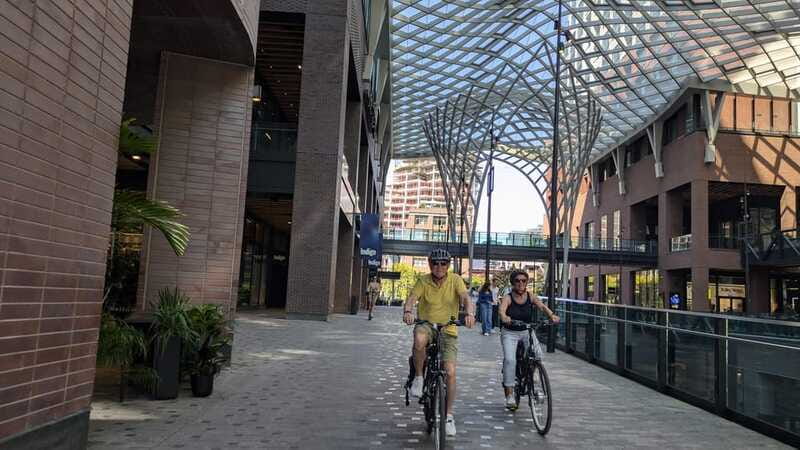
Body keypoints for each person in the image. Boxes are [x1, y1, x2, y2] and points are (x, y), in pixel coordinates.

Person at [403, 248, 475, 437]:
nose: (439, 267)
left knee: (450, 372)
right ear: (429, 264)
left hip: (448, 329)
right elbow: (411, 299)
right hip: (427, 325)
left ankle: (448, 416)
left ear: (448, 265)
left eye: (444, 263)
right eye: (435, 263)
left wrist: (470, 313)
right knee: (419, 339)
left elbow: (466, 298)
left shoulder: (455, 280)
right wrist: (408, 311)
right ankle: (419, 377)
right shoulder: (423, 280)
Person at [498, 269, 560, 410]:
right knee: (510, 360)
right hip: (510, 332)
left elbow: (542, 306)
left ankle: (534, 380)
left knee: (537, 354)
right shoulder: (508, 297)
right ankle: (509, 395)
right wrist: (504, 317)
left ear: (527, 282)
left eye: (524, 281)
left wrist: (552, 315)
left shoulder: (530, 296)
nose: (520, 283)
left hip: (526, 330)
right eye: (517, 281)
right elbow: (501, 310)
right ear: (513, 283)